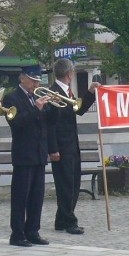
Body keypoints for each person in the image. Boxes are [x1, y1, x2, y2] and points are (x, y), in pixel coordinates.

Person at [45, 58, 99, 235]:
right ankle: (69, 221)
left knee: (74, 183)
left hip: (71, 145)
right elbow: (50, 124)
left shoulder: (67, 91)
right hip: (61, 146)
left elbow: (79, 109)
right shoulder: (54, 92)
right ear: (69, 74)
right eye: (73, 72)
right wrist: (53, 149)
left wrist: (90, 93)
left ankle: (61, 220)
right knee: (66, 185)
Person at [2, 65, 51, 247]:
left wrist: (51, 108)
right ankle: (17, 234)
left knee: (37, 196)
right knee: (20, 196)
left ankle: (33, 231)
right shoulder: (12, 98)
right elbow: (17, 123)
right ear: (22, 78)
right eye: (32, 79)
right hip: (23, 153)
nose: (35, 83)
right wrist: (35, 109)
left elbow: (48, 123)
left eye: (38, 80)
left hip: (39, 153)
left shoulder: (38, 97)